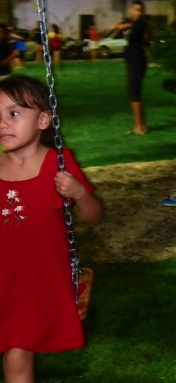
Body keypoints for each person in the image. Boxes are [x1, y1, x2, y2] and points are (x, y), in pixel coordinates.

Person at [0, 75, 103, 383]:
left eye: (14, 113)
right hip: (3, 278)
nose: (3, 123)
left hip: (35, 281)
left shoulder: (57, 164)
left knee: (17, 351)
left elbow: (94, 216)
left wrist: (80, 194)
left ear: (43, 119)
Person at [111, 0, 151, 135]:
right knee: (135, 92)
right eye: (135, 9)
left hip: (137, 61)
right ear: (130, 10)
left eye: (140, 10)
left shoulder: (141, 23)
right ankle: (142, 125)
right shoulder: (134, 25)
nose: (137, 12)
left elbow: (133, 28)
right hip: (133, 60)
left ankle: (139, 127)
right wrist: (119, 28)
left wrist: (123, 27)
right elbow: (116, 34)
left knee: (134, 92)